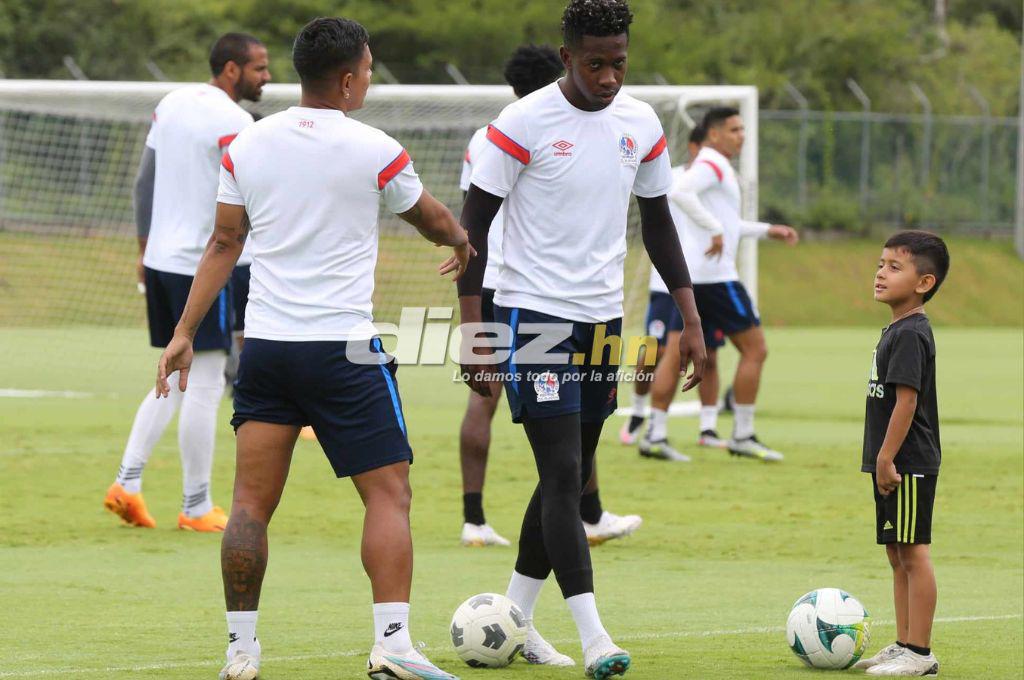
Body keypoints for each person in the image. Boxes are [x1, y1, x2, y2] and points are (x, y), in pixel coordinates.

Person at [154, 17, 468, 680]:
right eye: (369, 69)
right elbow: (430, 217)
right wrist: (461, 241)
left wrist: (183, 332)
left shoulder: (248, 144)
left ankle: (241, 652)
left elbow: (223, 243)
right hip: (344, 351)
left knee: (248, 503)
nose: (370, 80)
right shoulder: (375, 148)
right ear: (349, 80)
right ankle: (393, 644)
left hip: (268, 349)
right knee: (388, 494)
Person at [457, 1, 705, 675]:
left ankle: (514, 619)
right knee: (565, 474)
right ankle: (596, 637)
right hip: (533, 318)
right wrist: (473, 330)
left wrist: (690, 317)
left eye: (619, 63)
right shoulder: (522, 122)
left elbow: (658, 224)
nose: (609, 77)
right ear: (566, 58)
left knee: (563, 473)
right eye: (595, 64)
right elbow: (472, 230)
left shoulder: (640, 123)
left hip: (602, 321)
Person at [457, 44, 640, 549]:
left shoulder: (484, 135)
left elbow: (471, 216)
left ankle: (474, 518)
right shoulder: (550, 127)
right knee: (575, 405)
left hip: (487, 279)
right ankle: (587, 513)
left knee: (485, 400)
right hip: (533, 287)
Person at [105, 33, 270, 532]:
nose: (267, 77)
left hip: (161, 259)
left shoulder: (171, 103)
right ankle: (196, 505)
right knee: (205, 381)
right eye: (260, 68)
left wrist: (143, 250)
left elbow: (144, 182)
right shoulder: (236, 123)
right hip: (203, 266)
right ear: (231, 70)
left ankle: (127, 482)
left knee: (172, 375)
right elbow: (250, 197)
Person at [666, 106, 798, 461]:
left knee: (690, 354)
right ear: (714, 134)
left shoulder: (715, 165)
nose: (742, 135)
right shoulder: (713, 163)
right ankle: (743, 434)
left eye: (742, 129)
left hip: (697, 278)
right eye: (734, 129)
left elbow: (728, 223)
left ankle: (659, 431)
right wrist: (714, 228)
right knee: (756, 350)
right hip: (717, 278)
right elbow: (680, 192)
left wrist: (766, 230)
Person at [854, 231, 947, 677]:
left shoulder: (911, 333)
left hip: (907, 461)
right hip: (891, 461)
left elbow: (907, 402)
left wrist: (886, 458)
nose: (881, 273)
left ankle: (920, 652)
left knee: (913, 553)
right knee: (896, 553)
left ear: (924, 282)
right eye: (880, 264)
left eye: (895, 267)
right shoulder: (897, 328)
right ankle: (903, 643)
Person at [622, 124, 706, 461]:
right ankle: (638, 410)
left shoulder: (720, 182)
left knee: (685, 354)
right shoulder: (672, 179)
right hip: (665, 284)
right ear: (695, 147)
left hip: (701, 285)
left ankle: (692, 428)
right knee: (649, 352)